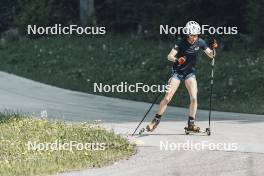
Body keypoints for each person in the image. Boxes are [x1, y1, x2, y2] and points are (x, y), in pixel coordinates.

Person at [146, 21, 218, 132]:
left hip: (190, 73)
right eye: (192, 35)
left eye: (196, 35)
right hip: (178, 72)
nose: (194, 37)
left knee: (194, 98)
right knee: (167, 97)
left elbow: (211, 55)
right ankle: (155, 121)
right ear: (187, 34)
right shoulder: (180, 42)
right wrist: (177, 59)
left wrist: (213, 49)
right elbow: (169, 56)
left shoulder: (200, 42)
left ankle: (191, 124)